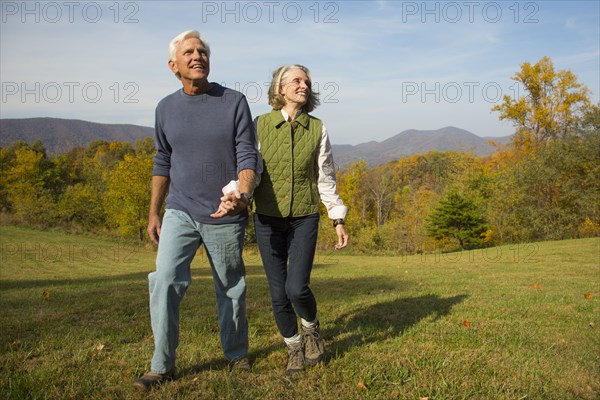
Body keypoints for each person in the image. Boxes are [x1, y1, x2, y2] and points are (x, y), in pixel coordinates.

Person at [134, 30, 259, 390]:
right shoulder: (165, 108)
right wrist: (154, 212)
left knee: (231, 286)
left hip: (225, 214)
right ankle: (162, 365)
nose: (197, 56)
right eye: (189, 52)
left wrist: (243, 193)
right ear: (174, 65)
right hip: (180, 210)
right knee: (165, 281)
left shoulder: (233, 101)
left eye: (202, 51)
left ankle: (236, 356)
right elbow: (162, 160)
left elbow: (247, 155)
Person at [252, 64, 349, 375]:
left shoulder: (318, 128)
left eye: (306, 81)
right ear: (281, 89)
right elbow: (251, 172)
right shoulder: (259, 125)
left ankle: (311, 327)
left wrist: (337, 218)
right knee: (277, 291)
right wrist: (238, 197)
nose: (303, 85)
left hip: (305, 217)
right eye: (296, 80)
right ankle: (294, 346)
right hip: (267, 218)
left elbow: (326, 177)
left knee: (297, 288)